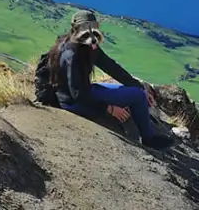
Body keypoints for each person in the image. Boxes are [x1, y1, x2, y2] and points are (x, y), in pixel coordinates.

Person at [47, 10, 174, 150]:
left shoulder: (84, 45)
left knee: (134, 91)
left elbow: (111, 67)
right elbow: (78, 94)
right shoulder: (72, 55)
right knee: (137, 97)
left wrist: (140, 87)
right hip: (74, 102)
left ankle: (141, 115)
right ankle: (148, 139)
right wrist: (109, 108)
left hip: (83, 91)